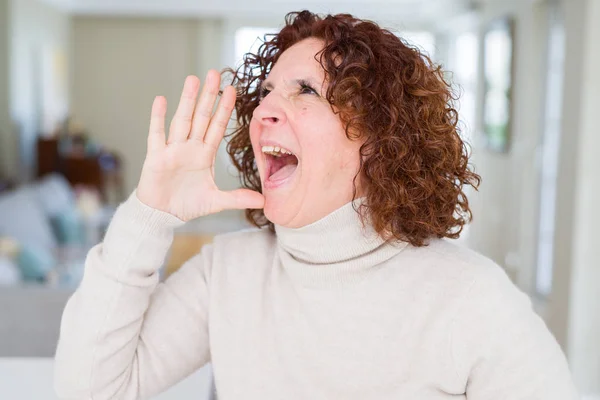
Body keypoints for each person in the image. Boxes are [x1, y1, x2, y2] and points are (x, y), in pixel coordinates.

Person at [54, 10, 578, 400]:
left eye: (304, 90)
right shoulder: (226, 273)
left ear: (379, 137)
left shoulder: (471, 298)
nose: (264, 112)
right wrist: (150, 212)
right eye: (265, 92)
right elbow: (89, 389)